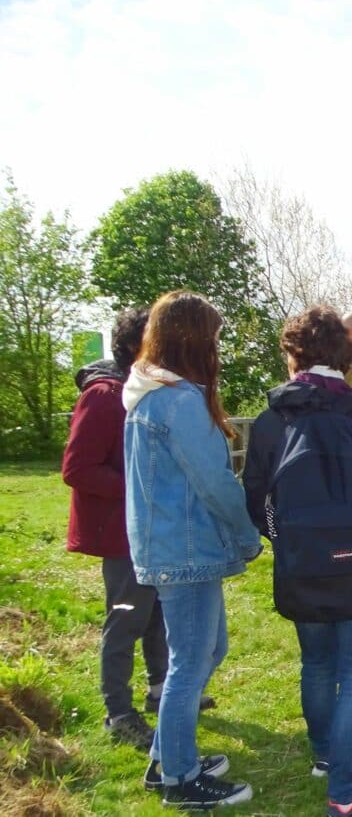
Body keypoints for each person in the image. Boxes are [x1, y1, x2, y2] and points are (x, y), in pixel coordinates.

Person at [243, 307, 352, 815]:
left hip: (303, 566)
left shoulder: (273, 420)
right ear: (346, 357)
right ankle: (344, 794)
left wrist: (286, 542)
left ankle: (324, 755)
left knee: (317, 662)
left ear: (293, 356)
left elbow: (255, 498)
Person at [123, 290, 261, 809]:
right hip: (186, 549)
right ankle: (180, 778)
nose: (218, 350)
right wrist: (248, 536)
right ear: (194, 341)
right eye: (215, 339)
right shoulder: (179, 401)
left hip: (169, 545)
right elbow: (216, 482)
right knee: (189, 662)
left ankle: (166, 757)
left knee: (208, 650)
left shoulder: (149, 395)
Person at [64, 307, 169, 751]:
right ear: (134, 347)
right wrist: (139, 485)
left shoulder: (140, 390)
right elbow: (77, 468)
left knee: (157, 614)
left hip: (149, 527)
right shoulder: (104, 396)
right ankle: (118, 713)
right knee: (126, 618)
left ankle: (160, 691)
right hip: (121, 532)